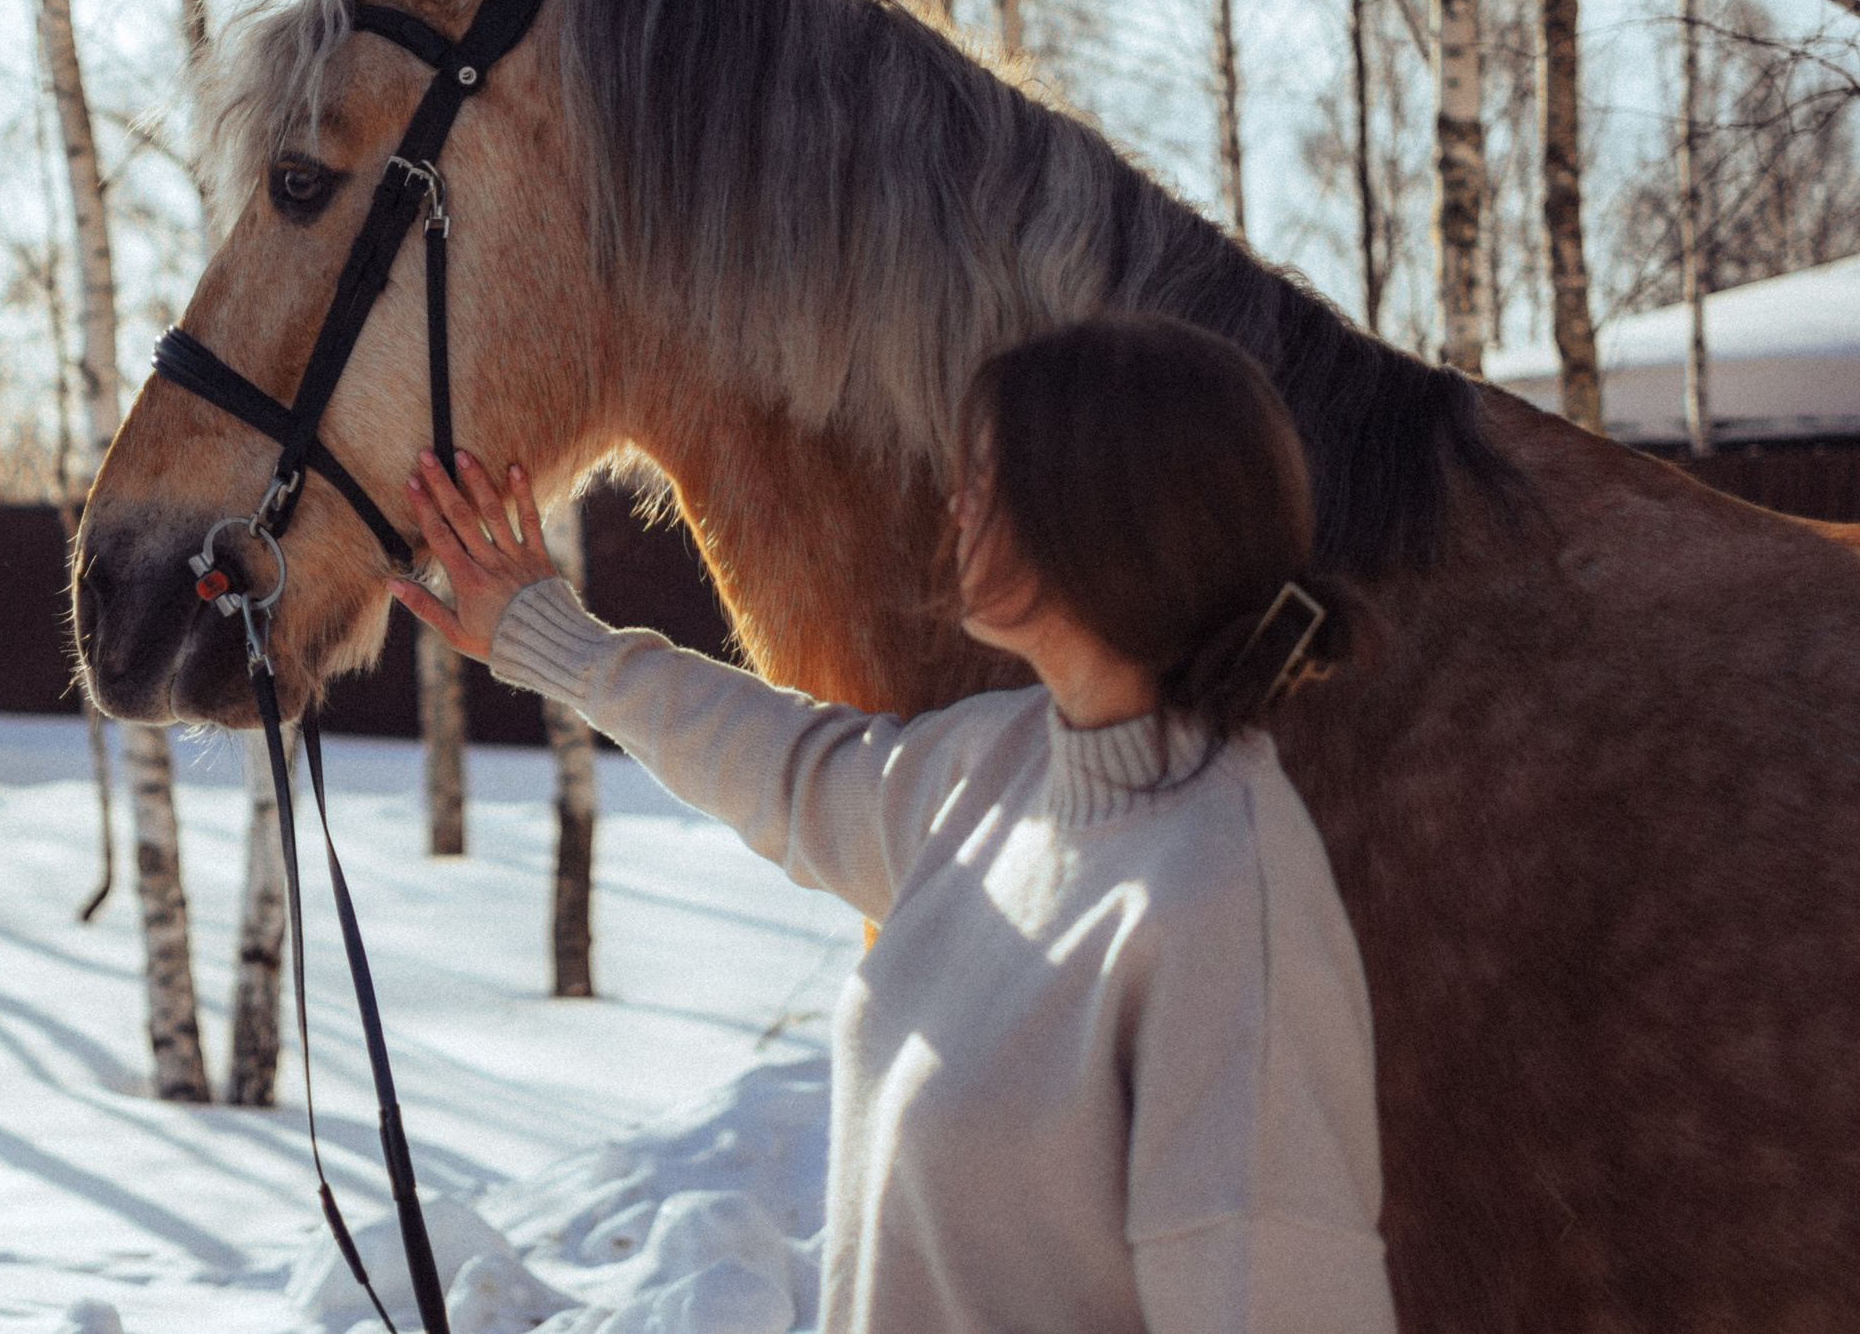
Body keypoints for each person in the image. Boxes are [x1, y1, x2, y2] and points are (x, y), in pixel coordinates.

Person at [389, 313, 1400, 1334]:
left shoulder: (1226, 910)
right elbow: (791, 769)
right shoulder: (1006, 768)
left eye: (990, 478)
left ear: (1104, 520)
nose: (956, 504)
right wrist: (548, 635)